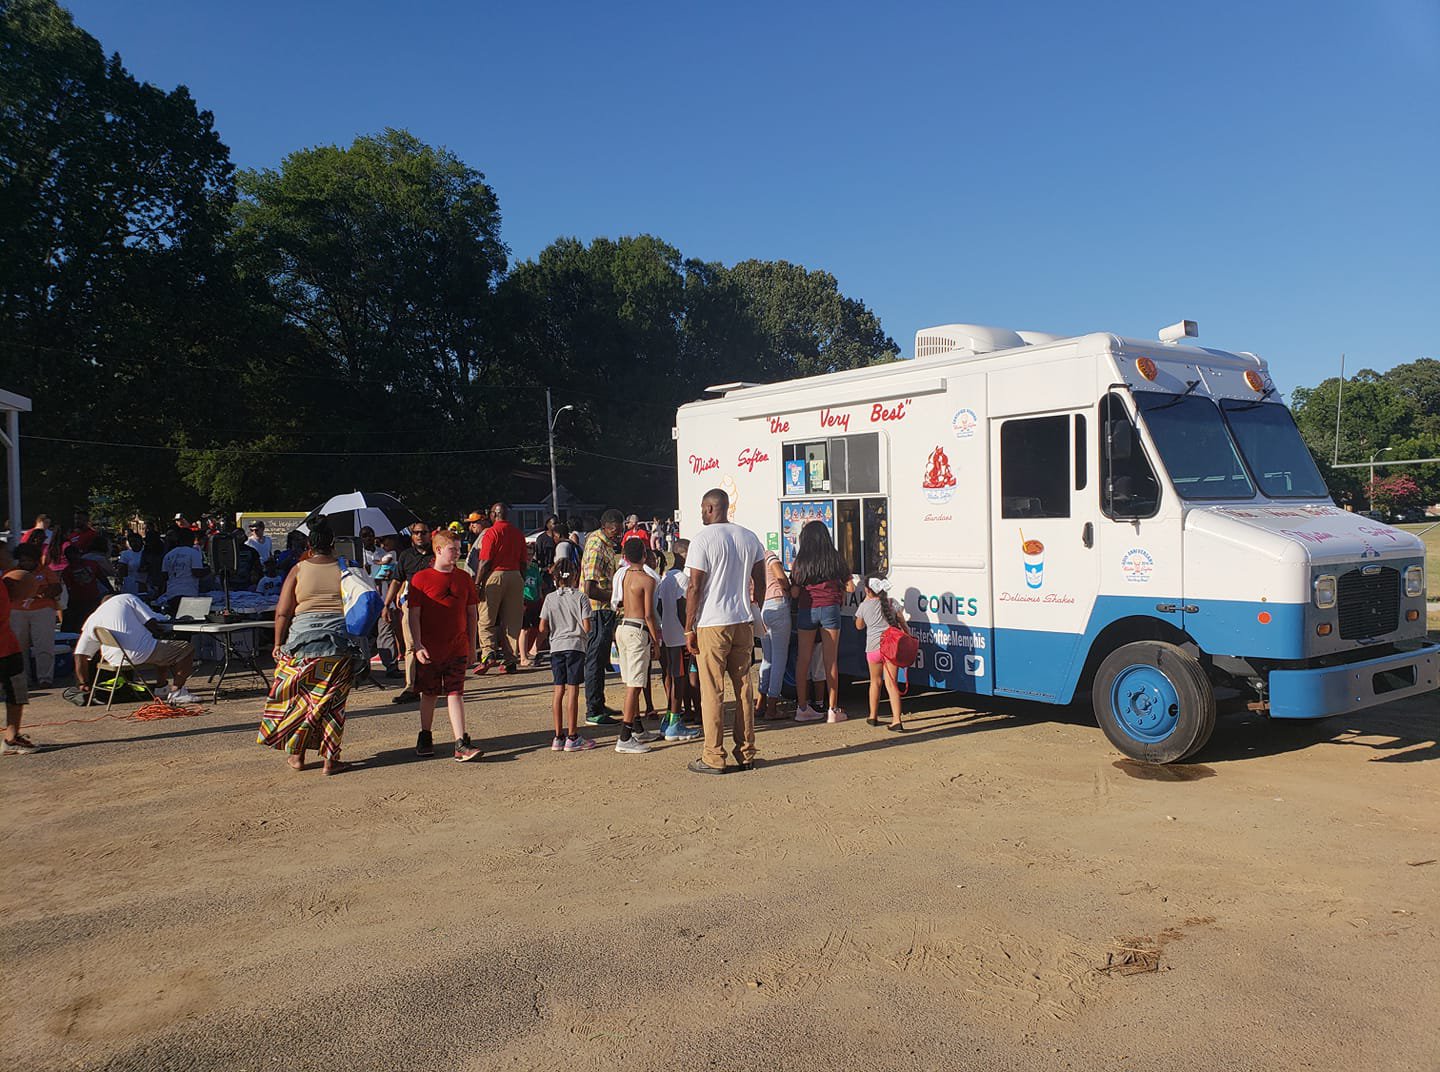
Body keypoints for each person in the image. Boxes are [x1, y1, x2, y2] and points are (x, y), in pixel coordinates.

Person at [258, 517, 356, 775]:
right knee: (332, 705)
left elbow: (283, 612)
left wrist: (278, 643)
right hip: (339, 645)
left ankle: (298, 757)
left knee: (300, 702)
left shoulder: (298, 569)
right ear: (333, 544)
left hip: (301, 645)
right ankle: (330, 760)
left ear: (309, 545)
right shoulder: (345, 568)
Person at [684, 488, 766, 775]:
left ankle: (713, 755)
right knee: (744, 686)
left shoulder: (702, 539)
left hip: (711, 621)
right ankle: (746, 752)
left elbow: (694, 585)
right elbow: (760, 576)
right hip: (742, 619)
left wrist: (688, 627)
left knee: (712, 690)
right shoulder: (748, 536)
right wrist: (757, 605)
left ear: (709, 508)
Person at [405, 528, 482, 762]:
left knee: (455, 692)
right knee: (429, 694)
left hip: (457, 647)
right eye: (453, 550)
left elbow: (472, 614)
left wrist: (472, 644)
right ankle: (425, 734)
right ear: (438, 550)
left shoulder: (464, 578)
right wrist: (417, 645)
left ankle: (460, 742)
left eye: (459, 549)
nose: (457, 553)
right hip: (429, 648)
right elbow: (413, 616)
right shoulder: (420, 579)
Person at [73, 593, 198, 704]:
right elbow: (151, 622)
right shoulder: (126, 598)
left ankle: (162, 688)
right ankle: (177, 693)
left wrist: (83, 682)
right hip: (138, 653)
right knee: (186, 649)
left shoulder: (93, 618)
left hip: (114, 659)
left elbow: (79, 655)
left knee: (161, 645)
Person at [791, 520, 853, 724]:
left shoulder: (800, 561)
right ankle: (833, 710)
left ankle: (802, 708)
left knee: (803, 659)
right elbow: (851, 586)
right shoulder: (835, 558)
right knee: (831, 660)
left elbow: (795, 590)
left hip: (806, 610)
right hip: (830, 609)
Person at [537, 558, 595, 751]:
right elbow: (587, 625)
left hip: (557, 646)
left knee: (558, 690)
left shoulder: (550, 598)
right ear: (575, 576)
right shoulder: (580, 597)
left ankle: (558, 735)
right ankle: (572, 734)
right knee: (573, 690)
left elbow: (542, 626)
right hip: (575, 645)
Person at [612, 538, 663, 754]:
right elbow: (649, 614)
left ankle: (637, 728)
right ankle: (624, 736)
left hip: (623, 626)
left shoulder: (623, 575)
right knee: (634, 684)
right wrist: (656, 639)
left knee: (633, 679)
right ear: (644, 555)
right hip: (637, 628)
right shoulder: (647, 580)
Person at [653, 539, 700, 742]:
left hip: (669, 635)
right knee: (680, 679)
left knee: (673, 676)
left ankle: (670, 718)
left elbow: (660, 607)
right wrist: (688, 630)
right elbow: (683, 608)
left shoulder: (665, 579)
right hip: (680, 637)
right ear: (683, 554)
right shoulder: (681, 579)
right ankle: (674, 721)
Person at [474, 502, 528, 674]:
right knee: (512, 621)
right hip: (515, 575)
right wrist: (521, 579)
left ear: (493, 515)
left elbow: (485, 561)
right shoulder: (518, 533)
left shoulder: (491, 532)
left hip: (495, 575)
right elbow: (523, 561)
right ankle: (510, 659)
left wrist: (477, 583)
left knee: (486, 617)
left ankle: (488, 654)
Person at [581, 509, 623, 724]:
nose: (618, 535)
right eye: (616, 530)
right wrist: (617, 596)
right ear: (606, 526)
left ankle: (599, 702)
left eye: (621, 531)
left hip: (605, 610)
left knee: (601, 659)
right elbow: (590, 588)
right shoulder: (597, 545)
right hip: (597, 610)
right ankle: (593, 710)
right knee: (595, 659)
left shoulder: (606, 544)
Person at [384, 522, 434, 703]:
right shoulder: (405, 556)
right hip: (411, 605)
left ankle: (432, 684)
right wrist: (386, 604)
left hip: (435, 606)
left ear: (430, 534)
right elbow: (397, 581)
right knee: (411, 646)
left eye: (423, 532)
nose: (420, 536)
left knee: (433, 645)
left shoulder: (437, 555)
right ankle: (410, 686)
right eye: (416, 533)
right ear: (412, 536)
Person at [855, 573, 909, 731]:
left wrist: (866, 600)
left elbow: (859, 626)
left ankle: (873, 716)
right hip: (891, 649)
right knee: (891, 684)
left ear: (867, 590)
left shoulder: (864, 606)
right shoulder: (892, 604)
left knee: (875, 682)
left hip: (872, 649)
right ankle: (897, 720)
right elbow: (904, 625)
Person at [1, 545, 40, 753]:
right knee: (15, 693)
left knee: (16, 693)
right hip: (4, 648)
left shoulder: (5, 581)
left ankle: (11, 738)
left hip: (8, 647)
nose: (10, 556)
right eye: (5, 553)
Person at [9, 543, 59, 688]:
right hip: (17, 612)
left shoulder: (45, 571)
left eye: (29, 560)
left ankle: (45, 678)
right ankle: (22, 679)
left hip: (43, 610)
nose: (26, 563)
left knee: (44, 645)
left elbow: (57, 588)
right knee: (19, 647)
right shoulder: (12, 573)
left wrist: (44, 593)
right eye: (23, 560)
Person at [757, 546, 793, 721]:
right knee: (779, 659)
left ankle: (760, 702)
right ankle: (772, 707)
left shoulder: (750, 562)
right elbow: (781, 577)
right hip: (777, 604)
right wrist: (787, 589)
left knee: (767, 658)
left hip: (762, 609)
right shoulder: (768, 555)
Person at [60, 542, 107, 632]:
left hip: (93, 597)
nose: (72, 558)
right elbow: (68, 588)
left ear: (79, 554)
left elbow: (101, 577)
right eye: (69, 556)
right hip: (76, 600)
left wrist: (110, 589)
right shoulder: (67, 571)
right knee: (77, 624)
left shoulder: (92, 564)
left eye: (74, 555)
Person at [159, 527, 206, 608]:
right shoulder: (194, 553)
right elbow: (197, 572)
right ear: (192, 539)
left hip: (172, 594)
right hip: (189, 593)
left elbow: (164, 575)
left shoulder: (169, 555)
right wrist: (210, 570)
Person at [116, 531, 146, 596]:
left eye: (135, 541)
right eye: (131, 542)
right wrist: (119, 579)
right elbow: (121, 569)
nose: (133, 543)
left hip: (146, 583)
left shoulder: (147, 552)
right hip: (131, 583)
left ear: (141, 541)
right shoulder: (125, 554)